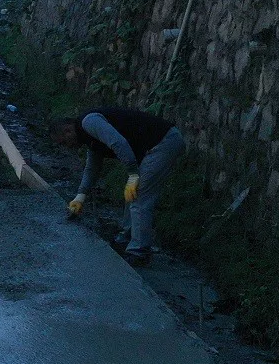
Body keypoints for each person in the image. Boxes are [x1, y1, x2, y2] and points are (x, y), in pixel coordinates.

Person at [54, 107, 187, 265]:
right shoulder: (89, 137)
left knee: (139, 196)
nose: (66, 147)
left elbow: (118, 142)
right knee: (131, 194)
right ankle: (126, 237)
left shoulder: (89, 122)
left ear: (68, 130)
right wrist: (80, 196)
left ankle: (139, 251)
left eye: (64, 142)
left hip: (163, 142)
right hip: (157, 145)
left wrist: (132, 174)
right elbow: (92, 168)